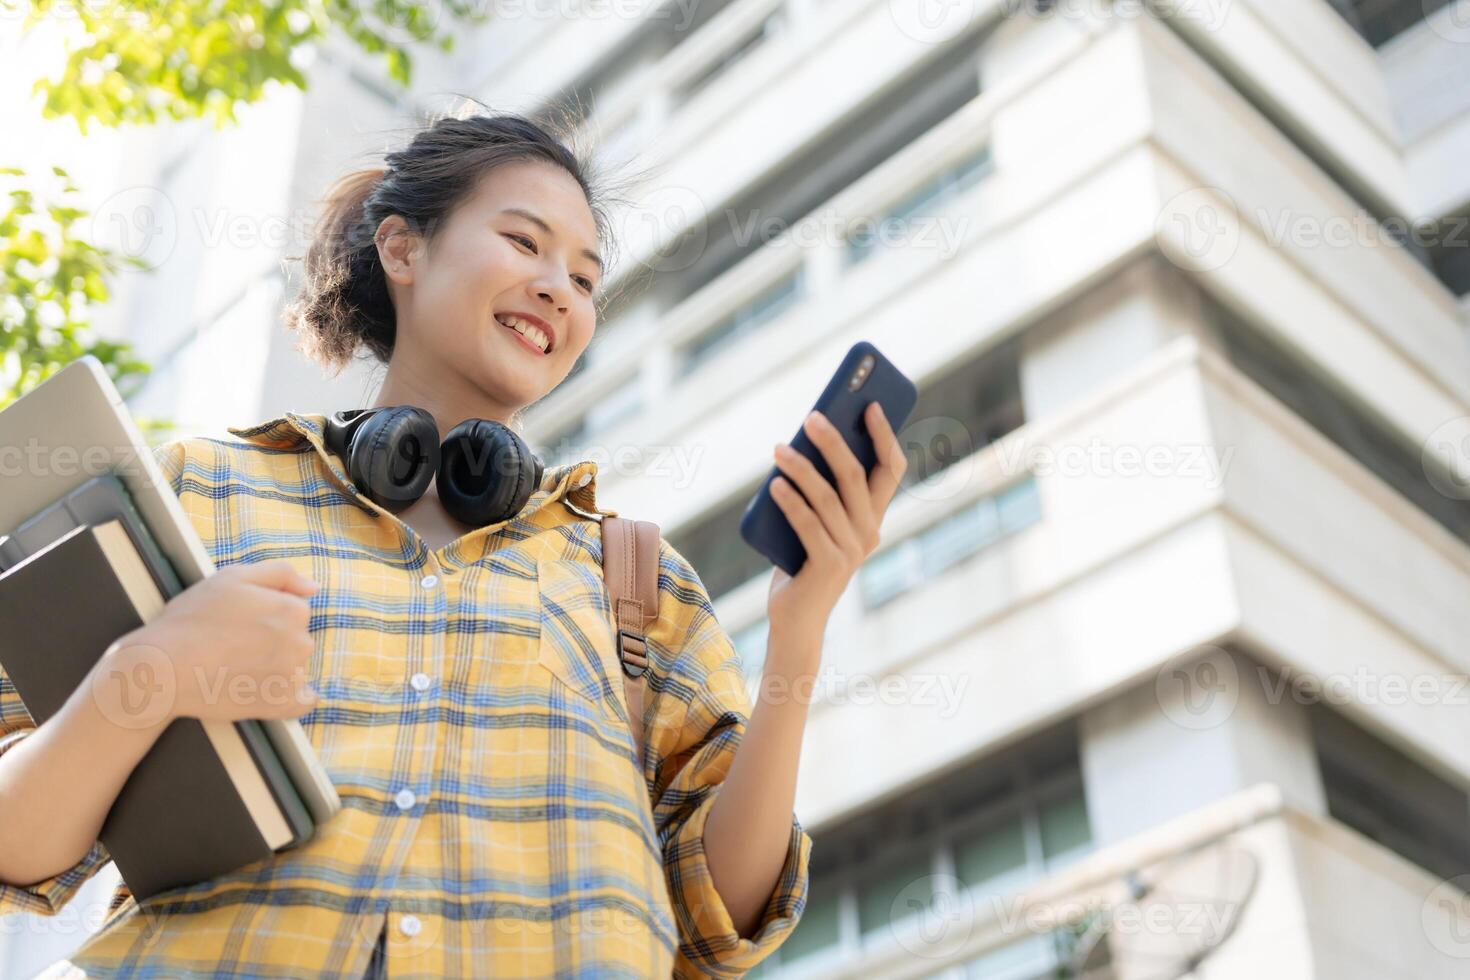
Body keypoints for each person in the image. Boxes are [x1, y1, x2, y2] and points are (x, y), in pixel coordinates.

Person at [0, 110, 908, 977]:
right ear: (403, 248)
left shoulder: (636, 579)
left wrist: (801, 627)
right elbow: (16, 847)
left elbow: (720, 919)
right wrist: (147, 670)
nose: (559, 286)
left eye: (586, 279)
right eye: (524, 242)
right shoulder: (205, 489)